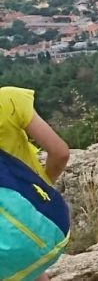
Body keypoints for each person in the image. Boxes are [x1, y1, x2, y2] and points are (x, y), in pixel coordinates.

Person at [0, 86, 70, 281]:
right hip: (28, 211)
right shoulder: (9, 100)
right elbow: (60, 152)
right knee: (34, 268)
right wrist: (43, 186)